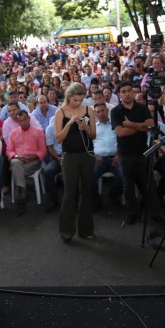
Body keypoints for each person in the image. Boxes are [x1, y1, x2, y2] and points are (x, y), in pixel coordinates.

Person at [110, 81, 162, 226]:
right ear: (120, 95)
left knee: (148, 185)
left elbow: (150, 126)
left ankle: (155, 214)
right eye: (123, 91)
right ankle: (132, 213)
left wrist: (130, 124)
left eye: (129, 91)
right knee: (128, 187)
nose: (127, 94)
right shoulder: (116, 111)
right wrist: (140, 126)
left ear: (133, 93)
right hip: (125, 154)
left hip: (142, 152)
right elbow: (120, 132)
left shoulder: (142, 107)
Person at [54, 82, 96, 240]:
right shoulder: (60, 112)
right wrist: (70, 123)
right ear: (69, 97)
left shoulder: (88, 110)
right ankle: (66, 231)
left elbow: (93, 136)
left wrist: (86, 128)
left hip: (87, 154)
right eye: (76, 100)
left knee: (86, 192)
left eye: (81, 100)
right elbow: (58, 138)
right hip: (69, 156)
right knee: (69, 193)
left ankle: (86, 230)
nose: (79, 103)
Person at [6, 109, 46, 217]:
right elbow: (9, 151)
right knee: (15, 162)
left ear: (29, 119)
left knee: (15, 167)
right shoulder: (13, 133)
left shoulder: (38, 132)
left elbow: (43, 150)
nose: (23, 122)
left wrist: (33, 157)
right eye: (20, 121)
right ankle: (22, 195)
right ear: (17, 122)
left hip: (33, 162)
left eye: (25, 120)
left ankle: (21, 194)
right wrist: (17, 156)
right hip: (19, 161)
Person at [91, 102, 123, 211]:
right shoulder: (93, 128)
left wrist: (119, 155)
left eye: (103, 110)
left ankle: (113, 194)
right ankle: (97, 201)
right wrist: (92, 156)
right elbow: (87, 145)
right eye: (98, 112)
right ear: (95, 114)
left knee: (125, 177)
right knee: (89, 177)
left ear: (107, 111)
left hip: (116, 158)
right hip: (100, 159)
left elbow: (124, 141)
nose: (101, 113)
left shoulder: (116, 125)